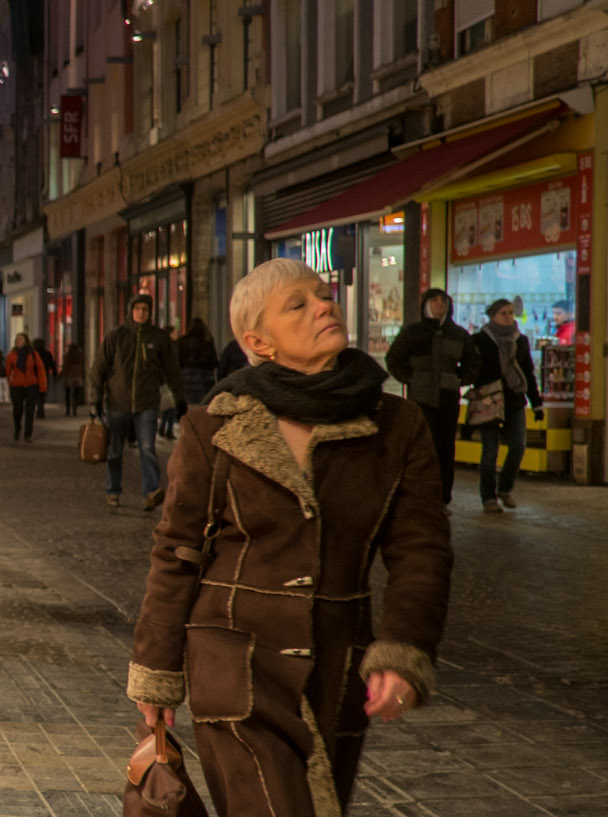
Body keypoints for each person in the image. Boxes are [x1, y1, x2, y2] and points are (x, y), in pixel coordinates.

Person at [127, 258, 452, 817]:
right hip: (231, 666)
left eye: (323, 294)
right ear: (259, 340)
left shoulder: (397, 425)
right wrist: (156, 677)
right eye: (297, 304)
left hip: (336, 668)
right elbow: (177, 552)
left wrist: (404, 649)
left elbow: (421, 548)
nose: (324, 305)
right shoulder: (215, 427)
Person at [92, 293, 187, 509]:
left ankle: (151, 492)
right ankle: (113, 490)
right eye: (138, 309)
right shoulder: (117, 336)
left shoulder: (158, 338)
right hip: (117, 402)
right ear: (131, 311)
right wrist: (95, 398)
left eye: (145, 309)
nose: (141, 313)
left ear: (150, 312)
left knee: (147, 448)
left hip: (147, 403)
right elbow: (99, 368)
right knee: (115, 450)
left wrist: (180, 400)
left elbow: (173, 371)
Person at [386, 288, 480, 508]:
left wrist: (459, 380)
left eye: (443, 300)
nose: (439, 304)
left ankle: (442, 498)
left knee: (446, 448)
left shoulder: (458, 334)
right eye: (435, 300)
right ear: (426, 304)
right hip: (420, 398)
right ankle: (420, 494)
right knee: (422, 447)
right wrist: (410, 378)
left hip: (447, 398)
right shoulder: (413, 332)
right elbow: (394, 359)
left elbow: (473, 362)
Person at [472, 299, 545, 513]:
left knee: (518, 445)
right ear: (492, 316)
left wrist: (537, 403)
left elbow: (527, 372)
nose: (508, 316)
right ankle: (488, 497)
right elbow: (472, 368)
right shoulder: (480, 340)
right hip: (490, 400)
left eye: (511, 312)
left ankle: (505, 487)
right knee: (490, 449)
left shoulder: (519, 340)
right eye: (503, 313)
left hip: (514, 398)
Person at [5, 332, 48, 443]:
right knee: (17, 410)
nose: (19, 342)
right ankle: (17, 428)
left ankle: (28, 434)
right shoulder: (12, 355)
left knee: (30, 410)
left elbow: (40, 370)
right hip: (16, 385)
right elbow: (7, 371)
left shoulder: (33, 354)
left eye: (21, 339)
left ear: (26, 341)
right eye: (17, 340)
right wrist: (7, 385)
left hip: (31, 385)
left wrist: (42, 387)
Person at [177, 318, 220, 411]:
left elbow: (176, 362)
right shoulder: (207, 343)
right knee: (202, 407)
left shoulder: (181, 343)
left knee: (188, 407)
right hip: (204, 380)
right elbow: (214, 362)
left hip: (185, 379)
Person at [32, 337, 59, 420]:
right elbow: (52, 365)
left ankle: (40, 409)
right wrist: (55, 375)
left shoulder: (33, 354)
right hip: (44, 376)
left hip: (35, 377)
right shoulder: (47, 354)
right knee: (42, 394)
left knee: (36, 394)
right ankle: (41, 409)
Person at [59, 342, 86, 416]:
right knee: (75, 395)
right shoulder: (81, 356)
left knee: (67, 394)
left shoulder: (67, 356)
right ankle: (74, 410)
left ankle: (68, 410)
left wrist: (60, 376)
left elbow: (65, 368)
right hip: (78, 377)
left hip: (69, 377)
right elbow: (83, 367)